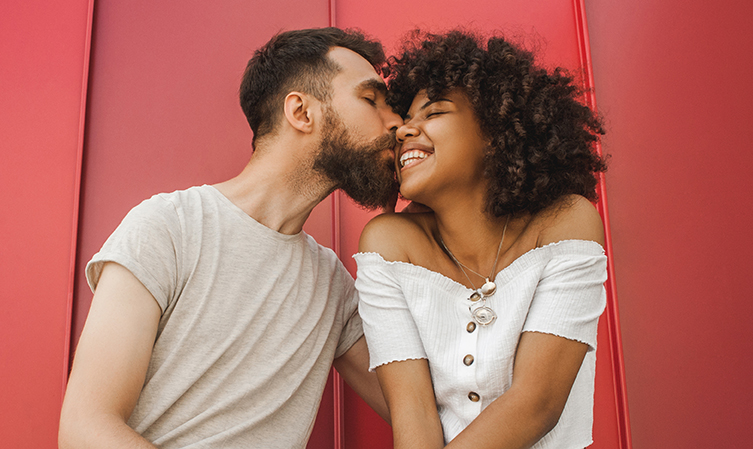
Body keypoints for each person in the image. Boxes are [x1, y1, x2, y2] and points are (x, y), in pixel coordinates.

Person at [58, 27, 403, 449]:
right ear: (301, 112)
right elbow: (85, 429)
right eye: (371, 100)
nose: (397, 123)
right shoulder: (169, 227)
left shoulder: (332, 286)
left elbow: (420, 411)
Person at [354, 30, 609, 449]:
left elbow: (536, 403)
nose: (404, 132)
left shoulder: (565, 222)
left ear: (495, 130)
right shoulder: (387, 244)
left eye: (432, 113)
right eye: (405, 121)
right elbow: (413, 417)